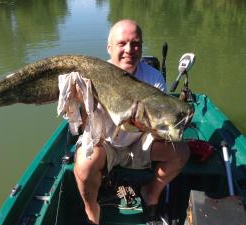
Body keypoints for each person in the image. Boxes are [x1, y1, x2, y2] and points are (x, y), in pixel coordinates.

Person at [74, 19, 190, 225]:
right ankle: (92, 212)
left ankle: (150, 194)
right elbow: (84, 128)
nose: (130, 50)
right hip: (105, 142)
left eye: (136, 43)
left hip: (139, 142)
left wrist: (151, 127)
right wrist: (82, 102)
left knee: (180, 152)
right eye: (122, 43)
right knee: (83, 164)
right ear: (109, 47)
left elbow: (158, 129)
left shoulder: (153, 78)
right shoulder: (91, 77)